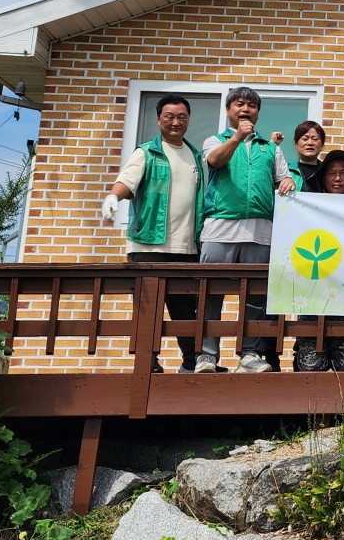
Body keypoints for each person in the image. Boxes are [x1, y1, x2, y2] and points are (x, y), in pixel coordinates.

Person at [102, 93, 205, 373]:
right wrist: (113, 198)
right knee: (149, 309)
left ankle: (191, 361)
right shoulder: (146, 152)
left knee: (186, 310)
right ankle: (148, 363)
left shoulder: (196, 155)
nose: (175, 122)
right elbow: (126, 182)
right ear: (158, 119)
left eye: (181, 117)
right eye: (169, 116)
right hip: (149, 244)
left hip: (186, 246)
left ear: (188, 120)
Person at [197, 87, 296, 374]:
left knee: (255, 296)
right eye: (239, 104)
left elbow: (284, 177)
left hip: (261, 232)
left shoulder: (270, 148)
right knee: (211, 293)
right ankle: (206, 356)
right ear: (229, 111)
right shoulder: (215, 140)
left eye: (251, 105)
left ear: (257, 112)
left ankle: (250, 354)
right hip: (220, 230)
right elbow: (215, 161)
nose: (246, 109)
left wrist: (287, 183)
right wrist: (238, 137)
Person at [292, 150, 344, 373]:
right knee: (311, 365)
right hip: (312, 288)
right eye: (332, 173)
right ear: (323, 177)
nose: (338, 178)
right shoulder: (308, 204)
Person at [277, 121, 326, 192]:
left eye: (315, 139)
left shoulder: (328, 172)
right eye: (305, 139)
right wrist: (273, 145)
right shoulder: (285, 172)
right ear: (296, 144)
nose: (310, 143)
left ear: (322, 145)